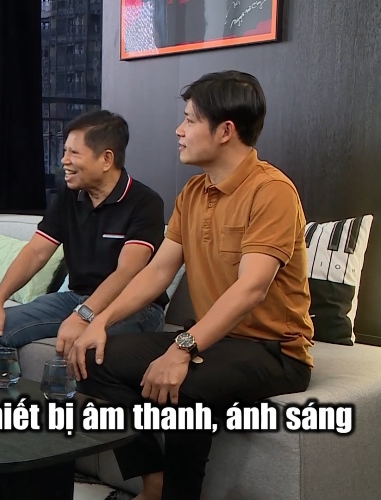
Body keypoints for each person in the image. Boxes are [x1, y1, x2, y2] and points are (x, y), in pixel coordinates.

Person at [69, 71, 314, 500]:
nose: (178, 130)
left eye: (189, 120)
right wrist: (100, 321)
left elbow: (251, 289)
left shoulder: (271, 191)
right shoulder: (194, 192)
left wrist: (181, 349)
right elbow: (157, 273)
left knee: (186, 389)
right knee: (90, 359)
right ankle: (154, 479)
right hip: (215, 340)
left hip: (274, 350)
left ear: (225, 131)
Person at [0, 110, 167, 368]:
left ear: (106, 159)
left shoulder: (145, 202)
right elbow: (36, 252)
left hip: (133, 306)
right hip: (76, 297)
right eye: (65, 151)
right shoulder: (69, 196)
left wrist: (83, 316)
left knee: (87, 346)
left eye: (74, 153)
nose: (64, 160)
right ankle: (5, 394)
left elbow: (127, 272)